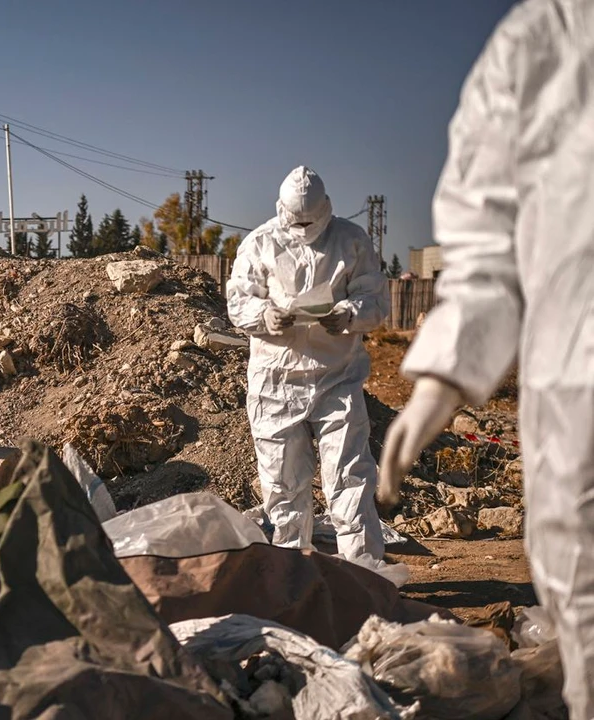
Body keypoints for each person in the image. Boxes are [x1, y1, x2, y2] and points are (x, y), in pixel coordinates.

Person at [379, 2, 594, 714]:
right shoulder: (542, 39)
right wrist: (444, 375)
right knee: (581, 578)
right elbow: (484, 235)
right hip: (577, 372)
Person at [227, 166, 389, 565]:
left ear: (326, 209)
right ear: (281, 209)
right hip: (275, 383)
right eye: (296, 221)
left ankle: (362, 575)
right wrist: (264, 316)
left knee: (349, 478)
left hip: (337, 378)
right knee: (283, 486)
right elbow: (238, 302)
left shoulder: (351, 241)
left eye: (310, 221)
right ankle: (292, 575)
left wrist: (349, 314)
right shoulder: (260, 244)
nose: (303, 228)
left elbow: (376, 300)